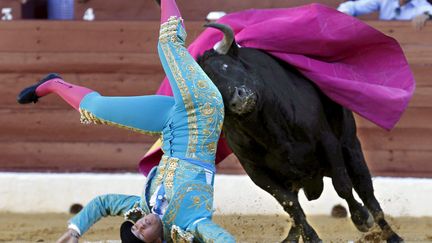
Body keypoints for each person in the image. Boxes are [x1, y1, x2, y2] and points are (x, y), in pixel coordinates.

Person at [17, 0, 235, 242]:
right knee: (168, 43)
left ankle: (52, 84)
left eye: (134, 228)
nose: (139, 225)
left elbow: (104, 203)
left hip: (169, 123)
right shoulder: (191, 223)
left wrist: (74, 230)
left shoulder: (144, 206)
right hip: (201, 110)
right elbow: (223, 239)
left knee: (95, 110)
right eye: (142, 233)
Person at [337, 0, 432, 29]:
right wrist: (345, 13)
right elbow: (351, 6)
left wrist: (427, 16)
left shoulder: (422, 4)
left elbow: (428, 10)